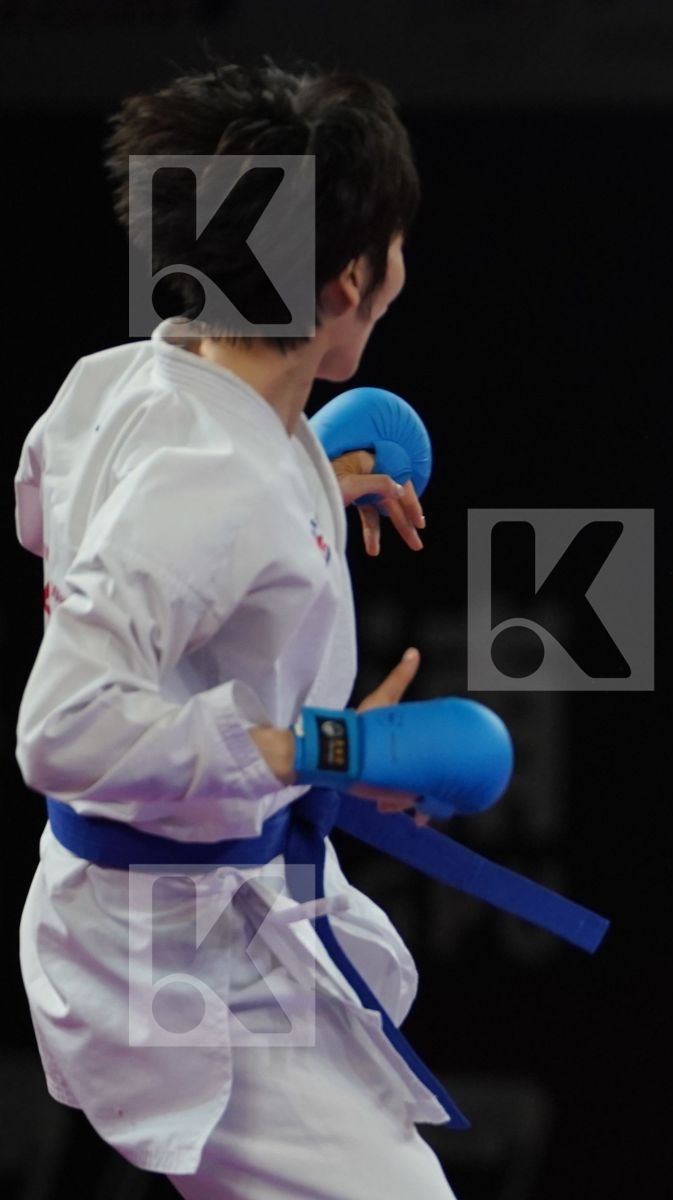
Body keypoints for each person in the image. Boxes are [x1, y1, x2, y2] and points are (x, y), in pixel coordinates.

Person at [14, 60, 467, 1198]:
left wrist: (303, 484)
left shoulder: (121, 380)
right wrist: (327, 747)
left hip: (202, 904)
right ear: (348, 280)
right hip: (175, 952)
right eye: (392, 249)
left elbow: (48, 511)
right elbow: (62, 729)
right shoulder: (221, 482)